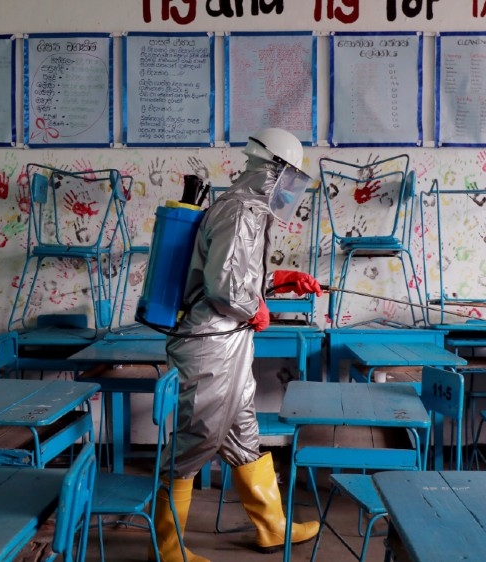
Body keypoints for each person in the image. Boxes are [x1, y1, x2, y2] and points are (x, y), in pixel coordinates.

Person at [151, 128, 323, 562]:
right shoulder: (241, 210)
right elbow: (225, 287)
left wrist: (282, 279)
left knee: (243, 433)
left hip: (228, 342)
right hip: (210, 345)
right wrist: (256, 310)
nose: (292, 188)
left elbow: (239, 274)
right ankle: (167, 549)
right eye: (291, 177)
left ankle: (272, 527)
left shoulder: (247, 209)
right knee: (196, 439)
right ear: (275, 171)